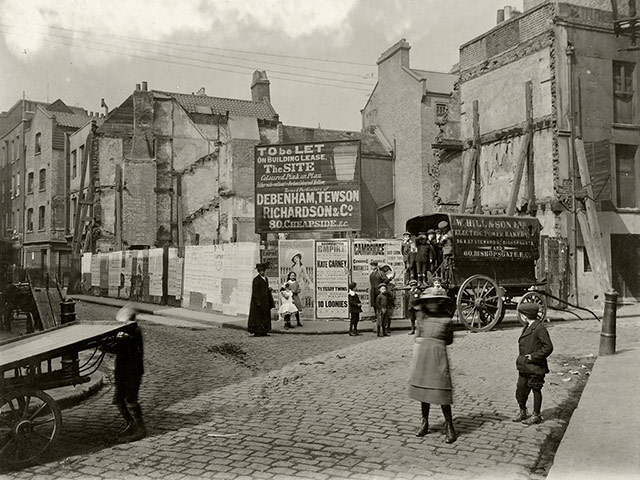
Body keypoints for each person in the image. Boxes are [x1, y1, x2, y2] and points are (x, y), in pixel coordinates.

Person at [408, 286, 457, 444]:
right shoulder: (421, 317)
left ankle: (449, 426)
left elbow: (449, 340)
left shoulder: (446, 320)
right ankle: (425, 422)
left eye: (435, 301)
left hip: (438, 357)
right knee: (424, 393)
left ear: (440, 302)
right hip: (424, 356)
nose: (432, 304)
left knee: (442, 391)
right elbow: (418, 333)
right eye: (428, 302)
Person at [102, 305, 146, 442]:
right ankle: (131, 424)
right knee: (119, 399)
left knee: (131, 399)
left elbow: (117, 347)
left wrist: (102, 345)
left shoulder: (133, 333)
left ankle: (139, 428)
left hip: (132, 372)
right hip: (123, 371)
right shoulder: (129, 332)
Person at [513, 302, 553, 426]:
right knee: (520, 390)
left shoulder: (540, 328)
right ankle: (523, 411)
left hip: (535, 366)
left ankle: (536, 415)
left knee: (536, 389)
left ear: (525, 315)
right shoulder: (527, 326)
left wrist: (534, 356)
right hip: (524, 366)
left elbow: (548, 347)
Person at [247, 263, 275, 337]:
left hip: (265, 301)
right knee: (258, 316)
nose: (262, 272)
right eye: (260, 271)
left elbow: (265, 288)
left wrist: (268, 289)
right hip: (258, 301)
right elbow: (255, 291)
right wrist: (257, 301)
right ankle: (257, 331)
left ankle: (264, 331)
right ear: (258, 272)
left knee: (265, 316)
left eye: (263, 271)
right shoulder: (256, 280)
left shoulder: (266, 279)